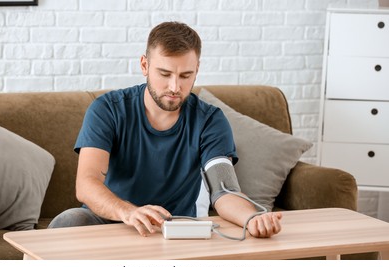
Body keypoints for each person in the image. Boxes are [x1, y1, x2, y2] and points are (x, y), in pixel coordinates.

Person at [49, 21, 282, 238]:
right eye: (165, 74)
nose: (175, 87)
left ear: (197, 70)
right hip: (110, 218)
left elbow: (225, 192)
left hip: (174, 226)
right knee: (69, 220)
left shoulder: (211, 120)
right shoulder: (106, 109)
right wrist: (129, 212)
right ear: (144, 65)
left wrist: (252, 219)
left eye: (185, 76)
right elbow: (87, 184)